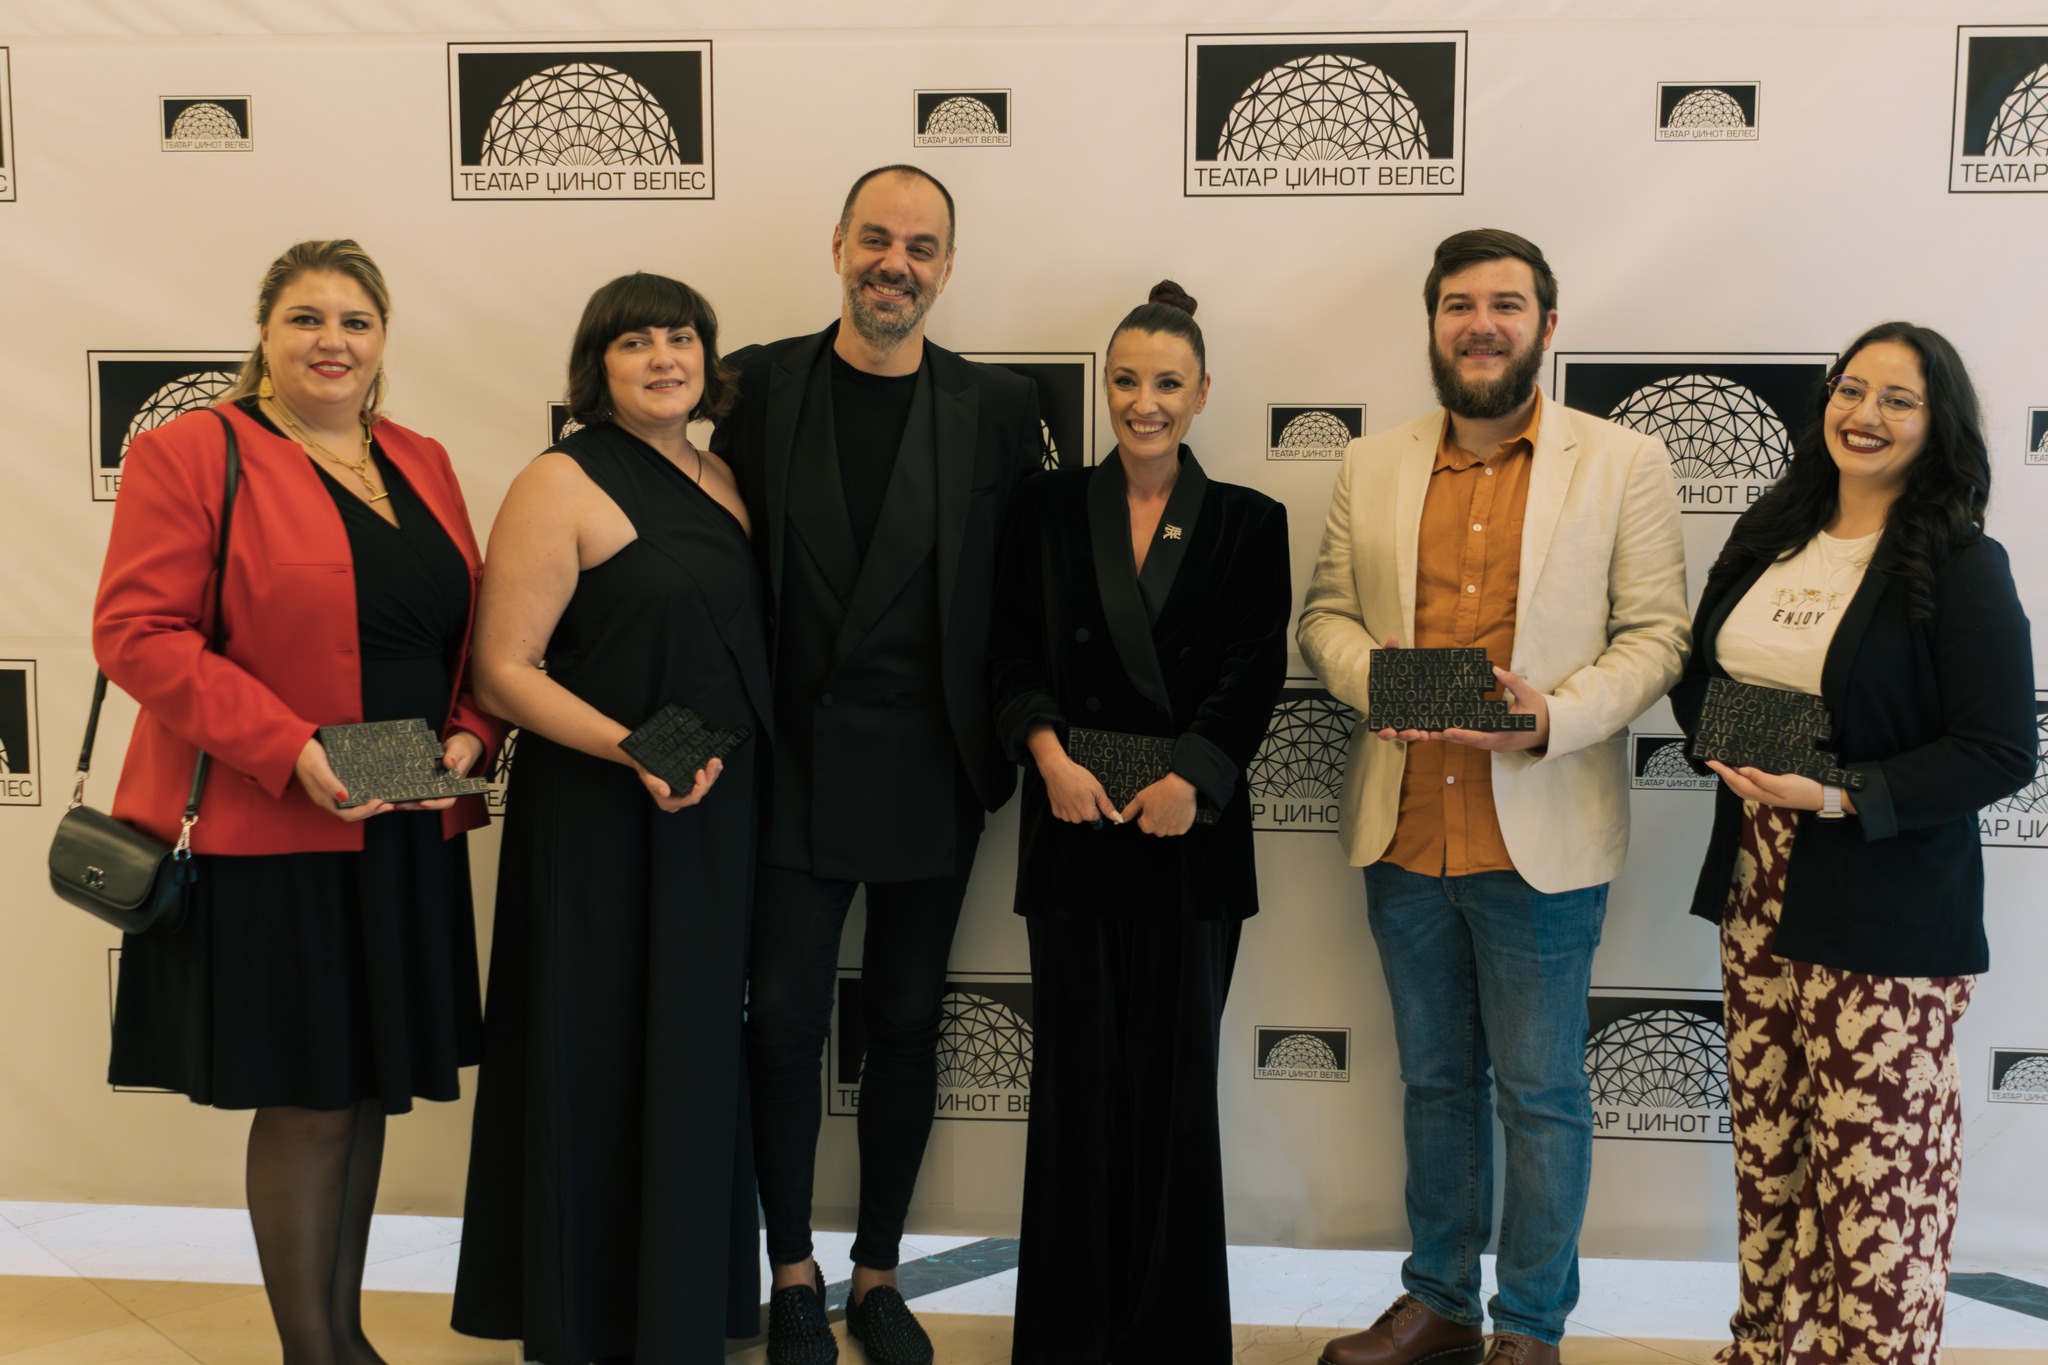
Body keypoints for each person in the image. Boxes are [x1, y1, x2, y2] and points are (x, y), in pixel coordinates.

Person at [94, 238, 502, 1365]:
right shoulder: (194, 450)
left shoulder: (419, 456)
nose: (333, 341)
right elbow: (136, 634)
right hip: (275, 822)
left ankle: (348, 1339)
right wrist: (291, 748)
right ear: (265, 335)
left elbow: (462, 630)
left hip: (405, 816)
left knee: (364, 1091)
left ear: (383, 339)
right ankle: (311, 1353)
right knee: (311, 1097)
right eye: (307, 319)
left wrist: (476, 727)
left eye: (355, 321)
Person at [1296, 229, 1690, 1365]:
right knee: (1434, 1086)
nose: (1481, 324)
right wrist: (1371, 677)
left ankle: (1528, 1327)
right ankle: (1438, 1304)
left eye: (1506, 304)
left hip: (1542, 837)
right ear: (1432, 323)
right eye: (1458, 304)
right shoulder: (1371, 463)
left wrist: (1548, 718)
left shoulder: (1623, 462)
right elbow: (1324, 615)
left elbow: (1657, 636)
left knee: (1540, 1095)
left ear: (1546, 326)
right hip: (1405, 831)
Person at [710, 163, 1041, 1365]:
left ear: (946, 268)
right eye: (875, 239)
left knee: (905, 1024)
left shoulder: (995, 408)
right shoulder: (753, 384)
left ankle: (879, 1275)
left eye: (920, 246)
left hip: (930, 769)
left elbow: (1025, 592)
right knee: (783, 1026)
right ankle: (791, 1271)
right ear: (838, 246)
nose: (894, 264)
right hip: (789, 767)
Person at [1669, 323, 2035, 1365]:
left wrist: (1832, 792)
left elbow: (1998, 748)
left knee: (1878, 1189)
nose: (1863, 414)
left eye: (1897, 399)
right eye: (1850, 388)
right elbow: (1702, 679)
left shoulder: (1959, 562)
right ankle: (1763, 1349)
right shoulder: (1770, 528)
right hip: (1755, 886)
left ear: (1936, 424)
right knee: (1772, 1158)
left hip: (1885, 905)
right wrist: (1750, 755)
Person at [450, 273, 770, 1363]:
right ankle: (584, 1316)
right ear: (599, 366)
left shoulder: (722, 474)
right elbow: (502, 671)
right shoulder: (560, 478)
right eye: (635, 342)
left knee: (690, 1050)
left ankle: (679, 1310)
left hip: (710, 810)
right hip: (599, 818)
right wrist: (630, 749)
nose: (663, 358)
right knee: (595, 1050)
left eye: (681, 337)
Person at [989, 281, 1290, 1364]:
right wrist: (1047, 758)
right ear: (1104, 388)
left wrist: (1193, 779)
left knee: (1172, 1102)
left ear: (1202, 392)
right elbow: (1009, 652)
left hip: (1186, 840)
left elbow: (1255, 667)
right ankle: (1065, 1339)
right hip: (1072, 826)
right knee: (1075, 1090)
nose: (1143, 402)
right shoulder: (1042, 508)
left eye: (1167, 383)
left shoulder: (1250, 521)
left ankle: (1170, 1341)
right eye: (1125, 381)